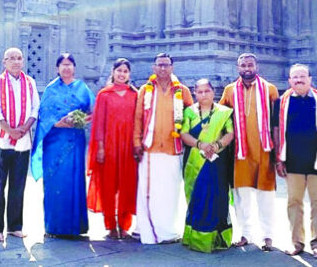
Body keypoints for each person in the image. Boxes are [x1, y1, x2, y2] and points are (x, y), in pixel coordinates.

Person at [219, 53, 279, 251]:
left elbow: (278, 123)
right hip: (240, 153)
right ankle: (245, 233)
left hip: (264, 151)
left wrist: (279, 154)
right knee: (241, 197)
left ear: (256, 66)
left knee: (266, 197)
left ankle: (267, 236)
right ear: (238, 68)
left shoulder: (270, 89)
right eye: (243, 65)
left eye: (250, 64)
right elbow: (220, 119)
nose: (247, 68)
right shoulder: (229, 91)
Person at [274, 64, 317, 258]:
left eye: (302, 76)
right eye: (295, 77)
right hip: (292, 160)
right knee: (294, 202)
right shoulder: (281, 102)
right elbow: (276, 129)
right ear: (289, 81)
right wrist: (278, 159)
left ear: (310, 79)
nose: (299, 80)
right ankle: (296, 242)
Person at [31, 53, 95, 237]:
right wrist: (60, 122)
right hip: (55, 142)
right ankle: (55, 227)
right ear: (57, 68)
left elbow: (93, 110)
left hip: (75, 141)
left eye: (69, 64)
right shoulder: (52, 89)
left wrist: (81, 120)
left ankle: (76, 227)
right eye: (63, 65)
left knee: (75, 180)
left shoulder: (82, 88)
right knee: (55, 182)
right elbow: (44, 115)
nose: (66, 68)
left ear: (74, 67)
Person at [133, 53, 193, 244]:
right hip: (149, 148)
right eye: (159, 65)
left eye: (166, 65)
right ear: (154, 67)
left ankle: (166, 230)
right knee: (147, 190)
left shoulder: (182, 91)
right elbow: (138, 118)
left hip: (172, 148)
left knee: (170, 190)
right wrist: (136, 142)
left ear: (172, 67)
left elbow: (191, 118)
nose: (163, 69)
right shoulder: (145, 90)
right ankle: (145, 228)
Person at [0, 47, 39, 242]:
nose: (16, 62)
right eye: (11, 59)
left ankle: (15, 226)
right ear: (4, 62)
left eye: (19, 58)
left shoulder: (30, 82)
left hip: (22, 143)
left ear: (23, 61)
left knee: (18, 185)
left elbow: (35, 108)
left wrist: (24, 128)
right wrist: (10, 130)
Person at [180, 79, 234, 253]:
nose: (204, 95)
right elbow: (184, 134)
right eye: (200, 92)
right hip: (195, 160)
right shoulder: (189, 112)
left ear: (213, 92)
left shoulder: (224, 112)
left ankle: (218, 238)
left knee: (217, 196)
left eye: (207, 91)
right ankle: (196, 239)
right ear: (195, 93)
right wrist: (200, 145)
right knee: (198, 196)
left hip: (217, 161)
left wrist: (216, 146)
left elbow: (230, 133)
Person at [87, 58, 138, 240]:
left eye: (125, 71)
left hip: (128, 146)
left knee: (127, 185)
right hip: (108, 145)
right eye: (119, 70)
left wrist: (137, 144)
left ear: (129, 74)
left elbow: (139, 122)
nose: (122, 74)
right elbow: (98, 123)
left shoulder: (135, 95)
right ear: (113, 72)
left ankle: (125, 226)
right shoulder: (104, 95)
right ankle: (110, 226)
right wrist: (99, 147)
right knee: (108, 185)